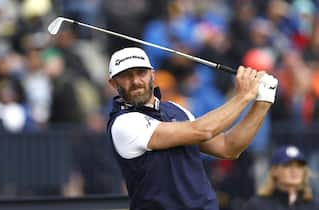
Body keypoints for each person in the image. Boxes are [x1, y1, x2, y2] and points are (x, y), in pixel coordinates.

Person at [106, 47, 278, 210]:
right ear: (113, 83)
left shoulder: (175, 109)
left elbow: (228, 147)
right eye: (126, 76)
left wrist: (263, 101)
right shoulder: (123, 123)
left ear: (152, 75)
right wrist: (244, 95)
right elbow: (203, 130)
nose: (136, 81)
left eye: (141, 73)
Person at [242, 145, 319, 210]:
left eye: (299, 166)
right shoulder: (257, 206)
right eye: (287, 165)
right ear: (274, 171)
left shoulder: (313, 206)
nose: (294, 171)